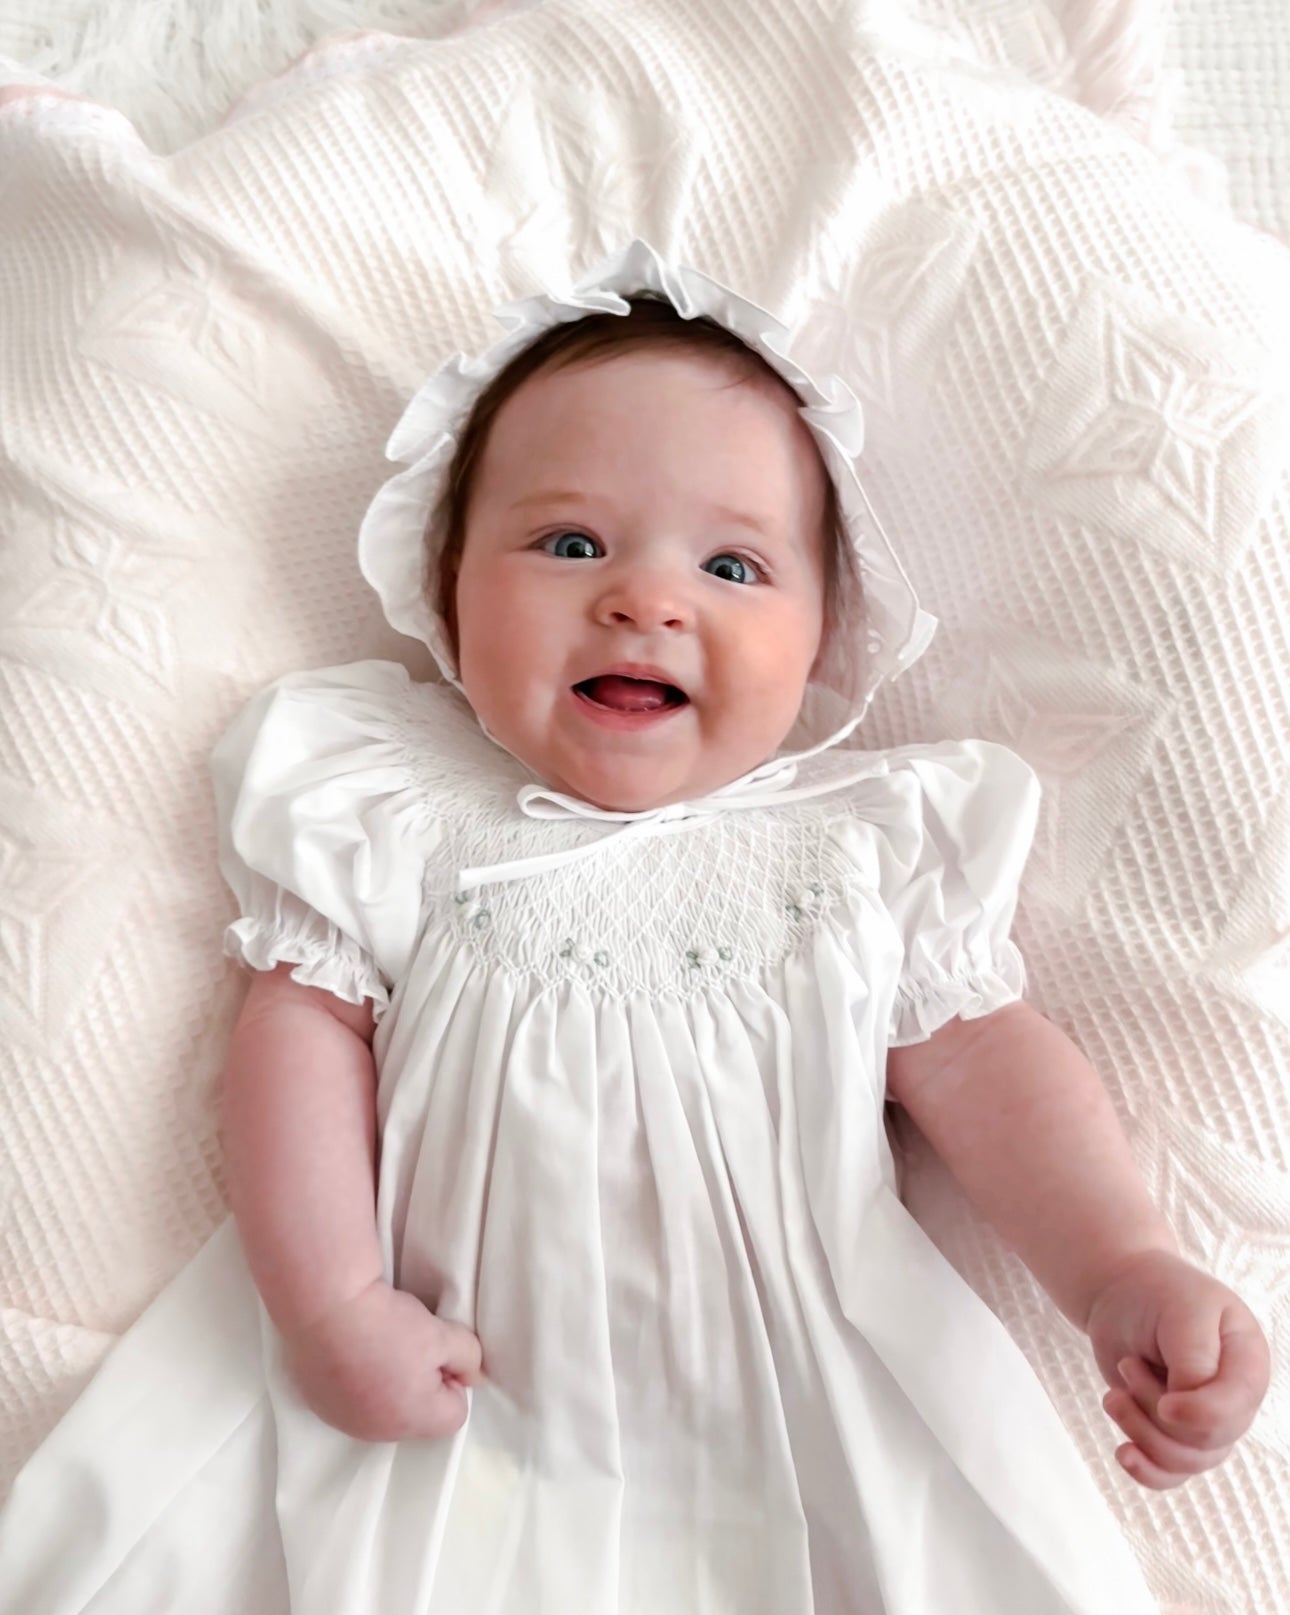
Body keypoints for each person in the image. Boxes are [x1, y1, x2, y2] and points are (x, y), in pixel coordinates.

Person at [0, 238, 1270, 1614]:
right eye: (568, 544)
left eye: (731, 567)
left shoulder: (863, 848)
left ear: (824, 634)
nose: (646, 599)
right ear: (445, 589)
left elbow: (982, 1062)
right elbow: (297, 1039)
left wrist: (1118, 1267)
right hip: (448, 1369)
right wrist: (328, 1309)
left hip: (797, 1386)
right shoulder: (393, 809)